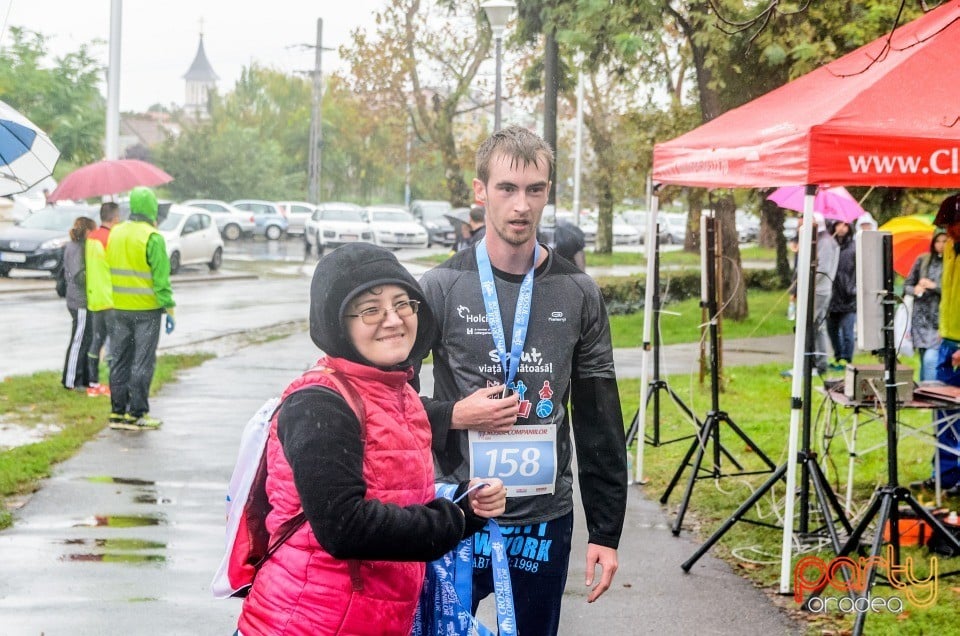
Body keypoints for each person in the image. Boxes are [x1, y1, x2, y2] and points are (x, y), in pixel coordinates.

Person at [417, 125, 628, 636]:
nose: (521, 205)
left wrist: (605, 531)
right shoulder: (441, 287)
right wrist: (456, 414)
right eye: (507, 188)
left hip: (543, 518)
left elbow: (599, 417)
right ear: (480, 191)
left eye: (535, 190)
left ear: (547, 193)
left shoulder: (577, 292)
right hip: (458, 510)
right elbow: (387, 402)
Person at [237, 243, 506, 635]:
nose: (393, 320)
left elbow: (397, 500)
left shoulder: (399, 393)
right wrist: (455, 518)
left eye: (403, 303)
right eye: (370, 310)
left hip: (371, 620)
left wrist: (467, 502)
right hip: (306, 623)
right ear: (337, 322)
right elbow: (344, 527)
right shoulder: (320, 404)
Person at [106, 187, 175, 430]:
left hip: (118, 310)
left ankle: (117, 412)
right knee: (142, 362)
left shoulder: (116, 233)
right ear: (152, 208)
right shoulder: (152, 237)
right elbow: (161, 280)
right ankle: (136, 414)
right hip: (147, 312)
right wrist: (169, 309)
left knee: (120, 361)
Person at [787, 212, 838, 377]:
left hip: (818, 291)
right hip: (812, 290)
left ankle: (806, 365)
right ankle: (818, 364)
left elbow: (822, 270)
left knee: (806, 327)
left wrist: (805, 283)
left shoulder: (825, 242)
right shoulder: (813, 240)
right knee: (816, 328)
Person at [84, 202, 120, 397]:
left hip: (94, 297)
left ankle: (93, 383)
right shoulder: (110, 239)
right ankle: (114, 384)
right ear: (115, 218)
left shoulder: (91, 238)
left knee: (96, 341)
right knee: (114, 344)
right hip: (110, 298)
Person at [904, 228, 947, 381]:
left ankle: (931, 395)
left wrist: (933, 286)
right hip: (920, 317)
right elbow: (907, 285)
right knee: (923, 358)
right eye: (938, 241)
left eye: (944, 241)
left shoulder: (951, 263)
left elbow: (952, 291)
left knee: (930, 359)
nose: (941, 245)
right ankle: (924, 393)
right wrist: (915, 289)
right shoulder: (923, 260)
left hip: (939, 318)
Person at [61, 216, 98, 390]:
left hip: (83, 301)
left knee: (86, 339)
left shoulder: (79, 247)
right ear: (87, 231)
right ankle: (71, 380)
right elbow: (79, 275)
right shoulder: (76, 248)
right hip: (80, 302)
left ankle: (83, 378)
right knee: (78, 340)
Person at [826, 220, 856, 371]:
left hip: (848, 298)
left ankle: (846, 358)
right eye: (838, 225)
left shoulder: (853, 248)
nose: (841, 228)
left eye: (845, 225)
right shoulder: (830, 246)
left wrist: (854, 289)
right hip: (832, 297)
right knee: (832, 330)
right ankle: (838, 356)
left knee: (847, 331)